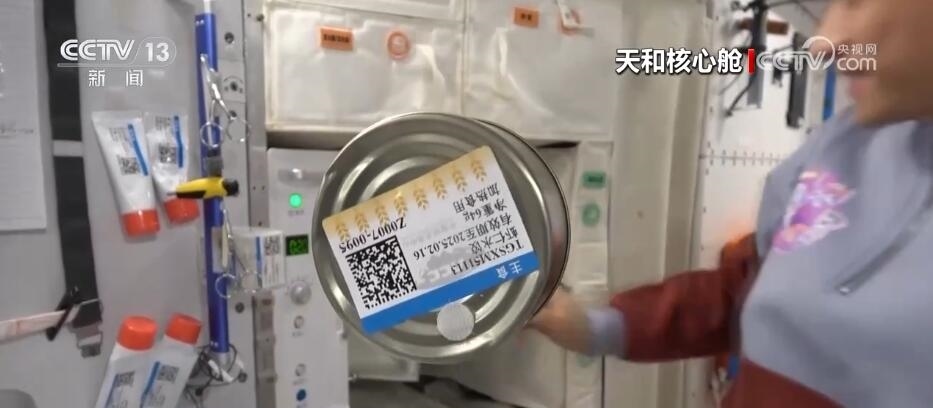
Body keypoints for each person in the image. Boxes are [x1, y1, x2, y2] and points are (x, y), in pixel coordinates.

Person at [529, 0, 933, 407]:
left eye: (856, 2)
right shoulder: (847, 143)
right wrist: (595, 328)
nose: (824, 42)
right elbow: (753, 286)